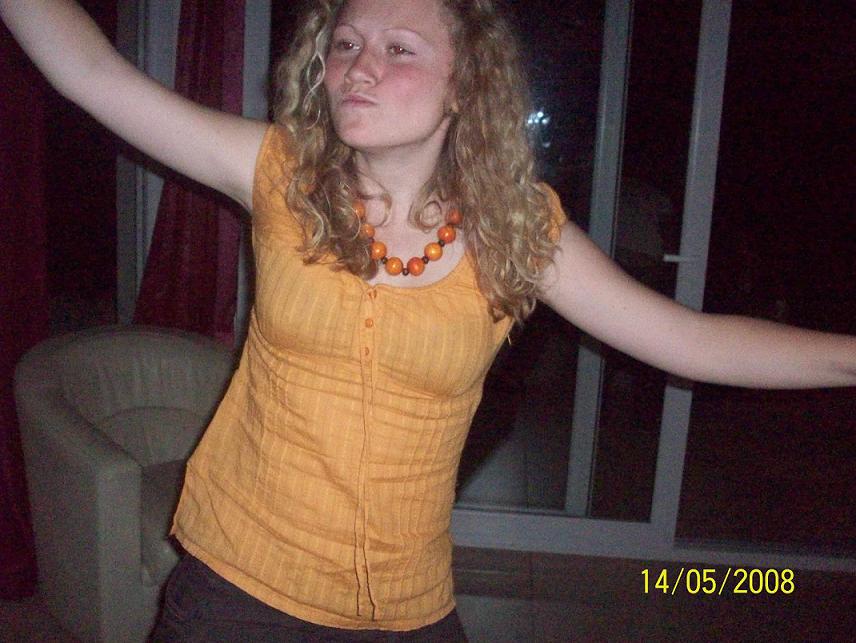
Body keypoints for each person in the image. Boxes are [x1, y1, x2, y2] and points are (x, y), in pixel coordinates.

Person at [3, 0, 854, 640]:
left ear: (464, 85)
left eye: (399, 49)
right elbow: (93, 73)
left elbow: (690, 341)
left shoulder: (518, 228)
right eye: (345, 44)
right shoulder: (282, 174)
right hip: (235, 587)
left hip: (404, 607)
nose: (358, 67)